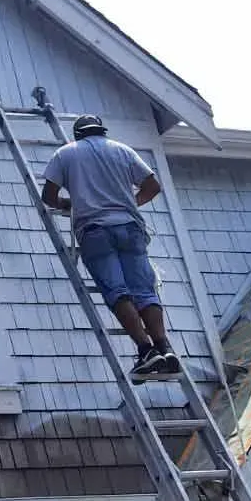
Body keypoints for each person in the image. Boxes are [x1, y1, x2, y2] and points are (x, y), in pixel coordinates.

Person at [41, 115, 180, 381]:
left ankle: (146, 350)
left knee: (117, 291)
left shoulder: (65, 154)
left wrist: (67, 205)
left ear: (78, 134)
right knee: (144, 291)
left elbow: (48, 196)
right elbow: (152, 186)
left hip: (95, 231)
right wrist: (129, 204)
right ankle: (165, 347)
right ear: (102, 131)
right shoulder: (122, 150)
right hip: (130, 227)